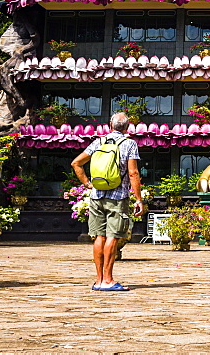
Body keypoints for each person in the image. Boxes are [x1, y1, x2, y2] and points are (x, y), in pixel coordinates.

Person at [71, 112, 143, 291]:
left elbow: (76, 163)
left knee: (99, 237)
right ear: (127, 128)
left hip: (96, 196)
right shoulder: (129, 143)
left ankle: (98, 280)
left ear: (109, 126)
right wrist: (139, 199)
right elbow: (133, 173)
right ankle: (108, 280)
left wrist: (87, 184)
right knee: (112, 236)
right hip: (117, 197)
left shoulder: (98, 142)